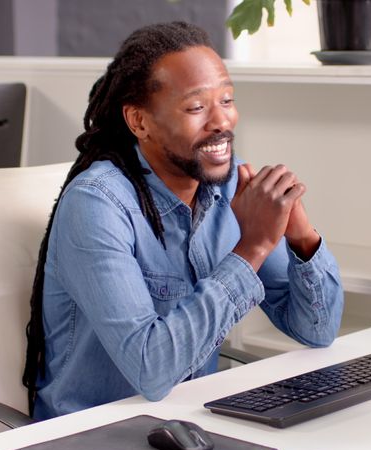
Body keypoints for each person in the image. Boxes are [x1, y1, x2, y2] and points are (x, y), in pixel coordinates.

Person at [22, 21, 344, 419]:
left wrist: (301, 236)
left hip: (189, 425)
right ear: (139, 122)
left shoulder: (232, 188)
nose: (222, 121)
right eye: (196, 107)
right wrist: (253, 249)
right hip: (91, 439)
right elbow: (152, 370)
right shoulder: (98, 205)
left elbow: (317, 330)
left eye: (226, 100)